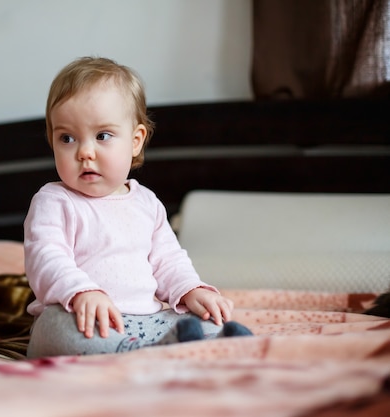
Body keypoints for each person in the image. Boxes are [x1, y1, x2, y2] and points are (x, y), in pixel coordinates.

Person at [24, 56, 252, 358]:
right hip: (81, 317)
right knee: (56, 327)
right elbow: (46, 257)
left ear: (135, 141)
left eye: (102, 135)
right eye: (67, 138)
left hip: (148, 320)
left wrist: (190, 290)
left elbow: (168, 260)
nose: (85, 152)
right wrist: (81, 292)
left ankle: (199, 341)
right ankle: (161, 351)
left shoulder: (146, 203)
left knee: (203, 319)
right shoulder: (53, 202)